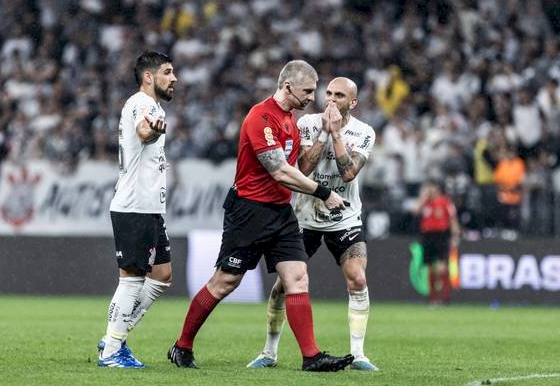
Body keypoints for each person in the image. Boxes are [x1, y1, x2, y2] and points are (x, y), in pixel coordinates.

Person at [167, 60, 354, 372]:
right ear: (287, 86)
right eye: (308, 90)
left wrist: (323, 134)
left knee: (296, 278)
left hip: (281, 213)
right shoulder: (261, 117)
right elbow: (280, 171)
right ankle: (182, 345)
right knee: (225, 281)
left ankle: (311, 357)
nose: (313, 97)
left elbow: (300, 170)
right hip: (249, 211)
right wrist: (323, 192)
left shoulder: (290, 121)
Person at [247, 77, 379, 371]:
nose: (330, 100)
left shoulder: (364, 132)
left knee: (357, 278)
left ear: (352, 103)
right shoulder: (306, 123)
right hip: (304, 216)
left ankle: (358, 354)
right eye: (328, 93)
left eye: (339, 96)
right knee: (283, 285)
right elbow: (303, 169)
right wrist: (323, 133)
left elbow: (348, 174)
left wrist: (336, 136)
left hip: (344, 215)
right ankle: (269, 351)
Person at [97, 51, 178, 368]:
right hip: (134, 207)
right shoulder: (142, 104)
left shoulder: (150, 106)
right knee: (132, 279)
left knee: (161, 275)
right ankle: (112, 350)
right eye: (168, 72)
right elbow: (144, 132)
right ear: (149, 76)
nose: (174, 79)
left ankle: (114, 335)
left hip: (148, 207)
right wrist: (154, 129)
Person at [412, 179, 461, 305]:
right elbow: (414, 211)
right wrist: (423, 198)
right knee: (430, 268)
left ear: (437, 188)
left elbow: (452, 219)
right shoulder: (425, 202)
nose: (430, 190)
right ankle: (433, 299)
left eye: (431, 187)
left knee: (441, 268)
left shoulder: (445, 201)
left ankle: (445, 297)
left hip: (441, 236)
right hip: (427, 236)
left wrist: (455, 236)